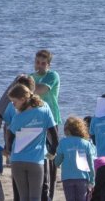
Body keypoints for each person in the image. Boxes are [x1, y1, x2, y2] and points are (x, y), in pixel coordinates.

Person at [5, 84, 57, 201]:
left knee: (23, 197)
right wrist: (53, 151)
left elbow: (10, 137)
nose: (13, 105)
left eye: (14, 102)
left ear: (23, 99)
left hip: (17, 160)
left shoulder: (18, 117)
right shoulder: (45, 110)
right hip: (36, 161)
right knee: (35, 197)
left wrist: (8, 150)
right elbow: (54, 134)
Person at [30, 51, 60, 201]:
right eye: (37, 62)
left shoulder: (52, 75)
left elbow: (40, 90)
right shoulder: (31, 77)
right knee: (38, 155)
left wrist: (25, 88)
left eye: (43, 63)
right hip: (34, 120)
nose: (39, 66)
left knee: (51, 155)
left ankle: (50, 194)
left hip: (51, 121)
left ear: (48, 64)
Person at [54, 117, 95, 201]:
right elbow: (91, 164)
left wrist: (55, 161)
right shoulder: (86, 144)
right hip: (83, 178)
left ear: (67, 130)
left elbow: (57, 162)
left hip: (67, 177)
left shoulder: (63, 142)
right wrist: (92, 180)